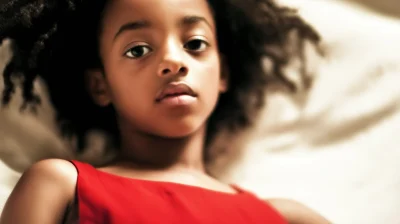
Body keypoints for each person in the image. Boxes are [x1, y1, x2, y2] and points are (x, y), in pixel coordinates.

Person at [0, 0, 331, 223]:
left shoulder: (285, 217)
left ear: (224, 73)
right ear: (100, 85)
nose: (174, 61)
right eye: (138, 49)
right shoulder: (60, 185)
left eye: (195, 44)